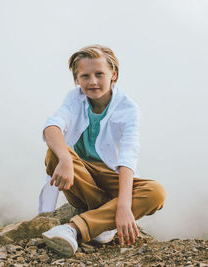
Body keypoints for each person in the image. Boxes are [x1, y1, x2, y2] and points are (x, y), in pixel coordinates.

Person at [41, 44, 166, 257]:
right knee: (54, 153)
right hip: (80, 178)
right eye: (85, 76)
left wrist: (125, 206)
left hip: (111, 177)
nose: (93, 82)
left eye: (100, 74)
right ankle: (102, 219)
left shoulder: (128, 108)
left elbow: (128, 156)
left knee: (156, 192)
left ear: (113, 74)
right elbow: (52, 127)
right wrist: (65, 159)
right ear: (77, 79)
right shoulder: (74, 98)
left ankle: (75, 227)